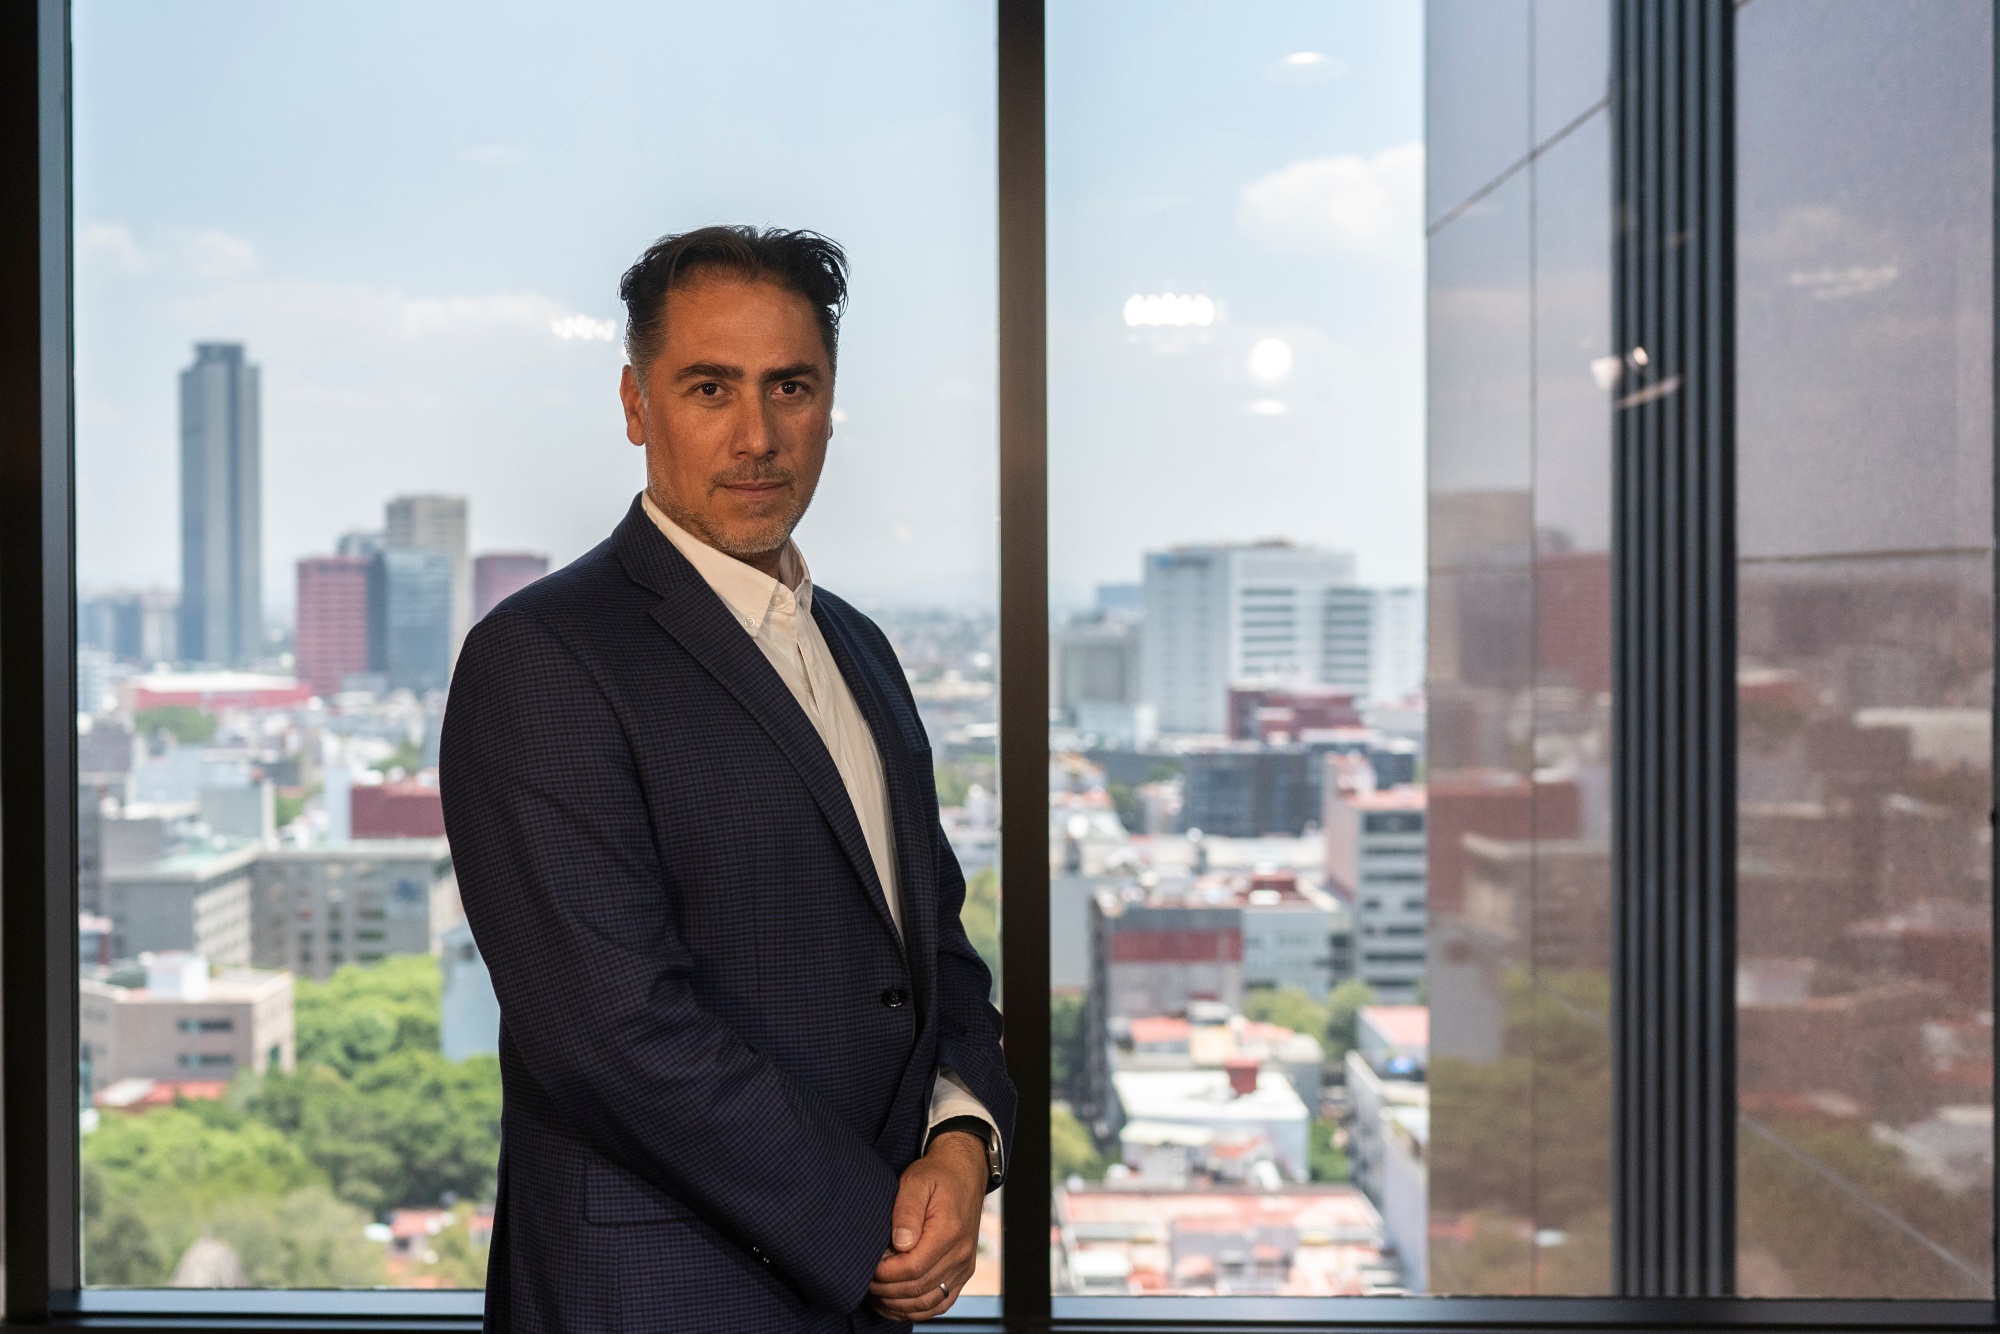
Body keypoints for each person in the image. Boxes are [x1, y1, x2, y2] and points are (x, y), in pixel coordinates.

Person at [440, 225, 1015, 1333]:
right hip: (661, 1299)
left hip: (864, 1294)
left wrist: (961, 1137)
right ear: (635, 403)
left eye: (789, 386)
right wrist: (874, 1224)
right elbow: (612, 1033)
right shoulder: (543, 657)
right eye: (710, 387)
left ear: (829, 403)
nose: (757, 435)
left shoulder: (860, 650)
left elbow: (932, 951)